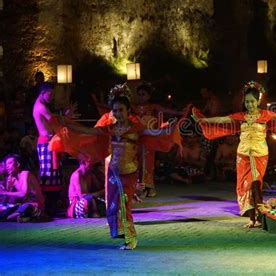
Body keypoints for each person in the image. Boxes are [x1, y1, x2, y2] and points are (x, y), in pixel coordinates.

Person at [57, 84, 172, 250]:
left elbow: (154, 133)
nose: (118, 113)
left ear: (128, 111)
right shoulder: (110, 128)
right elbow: (89, 131)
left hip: (129, 173)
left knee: (125, 205)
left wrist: (170, 128)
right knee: (113, 204)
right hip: (113, 173)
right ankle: (120, 232)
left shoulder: (136, 128)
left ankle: (131, 238)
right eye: (115, 110)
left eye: (121, 110)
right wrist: (67, 124)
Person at [192, 81, 276, 228]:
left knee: (256, 184)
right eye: (247, 102)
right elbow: (222, 119)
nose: (250, 104)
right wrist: (203, 120)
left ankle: (259, 217)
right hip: (243, 155)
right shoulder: (241, 116)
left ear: (258, 101)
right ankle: (252, 219)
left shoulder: (265, 115)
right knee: (245, 186)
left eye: (252, 101)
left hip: (259, 155)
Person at [132, 82, 182, 198]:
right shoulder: (132, 107)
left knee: (147, 163)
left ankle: (147, 188)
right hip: (137, 139)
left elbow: (167, 111)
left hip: (149, 139)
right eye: (139, 94)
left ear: (148, 96)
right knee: (137, 162)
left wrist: (180, 113)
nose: (141, 96)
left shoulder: (153, 107)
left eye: (143, 94)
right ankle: (140, 188)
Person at [32, 82, 63, 215]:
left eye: (52, 94)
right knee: (49, 175)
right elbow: (54, 122)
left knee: (53, 174)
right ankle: (48, 207)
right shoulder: (41, 107)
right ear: (42, 93)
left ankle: (51, 206)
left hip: (48, 143)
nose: (51, 96)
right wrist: (67, 117)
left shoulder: (42, 105)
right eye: (50, 94)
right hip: (46, 144)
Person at [0, 154, 45, 222]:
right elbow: (11, 199)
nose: (7, 166)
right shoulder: (12, 179)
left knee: (26, 207)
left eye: (9, 163)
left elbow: (23, 194)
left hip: (35, 205)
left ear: (17, 164)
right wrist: (9, 187)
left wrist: (5, 193)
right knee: (6, 207)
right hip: (22, 205)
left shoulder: (25, 174)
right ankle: (19, 216)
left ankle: (13, 216)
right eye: (6, 165)